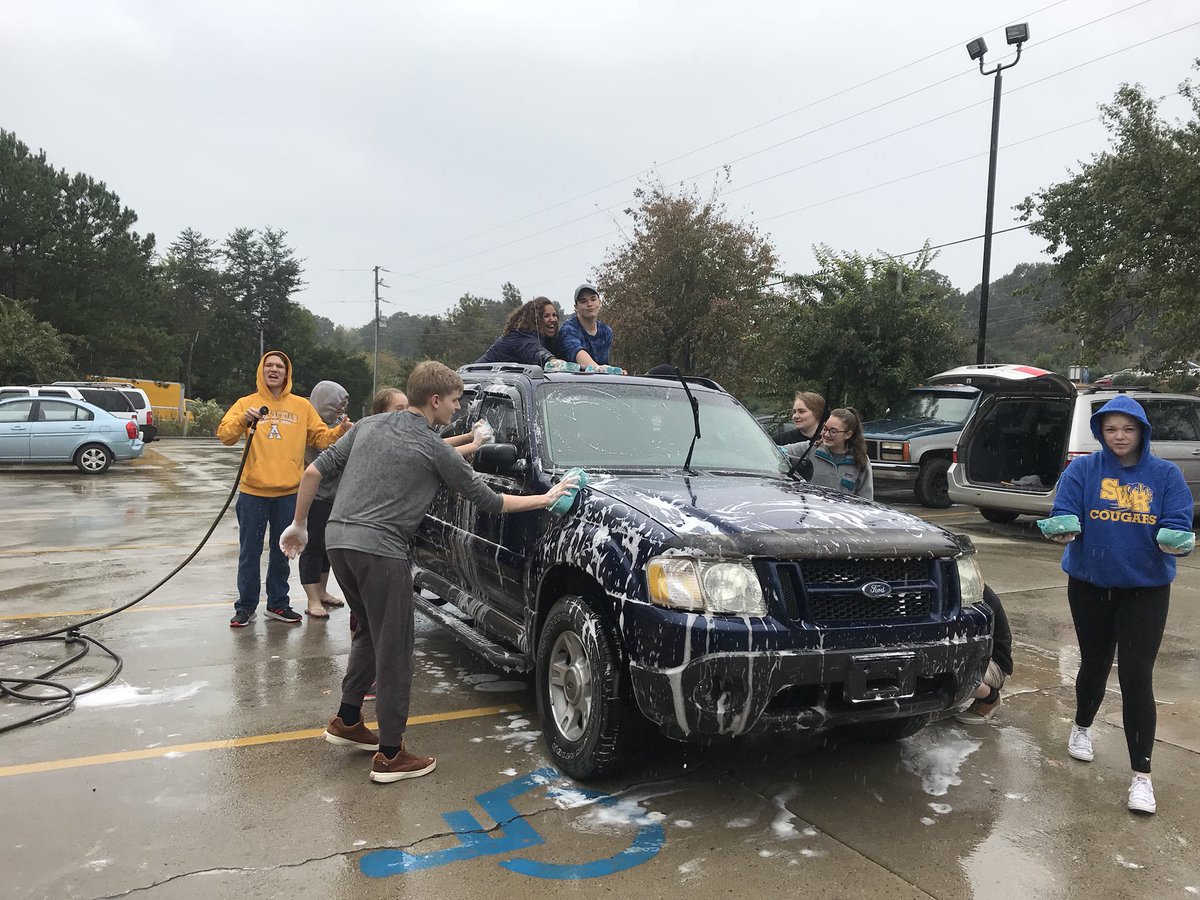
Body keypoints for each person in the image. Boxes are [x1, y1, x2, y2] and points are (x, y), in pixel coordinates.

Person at [279, 361, 577, 783]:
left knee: (367, 630)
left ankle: (348, 720)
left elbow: (313, 471)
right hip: (381, 552)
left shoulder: (369, 424)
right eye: (456, 402)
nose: (459, 410)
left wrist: (300, 524)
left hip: (337, 542)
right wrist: (547, 498)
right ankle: (390, 754)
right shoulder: (433, 448)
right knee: (396, 647)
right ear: (434, 400)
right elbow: (491, 501)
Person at [1038, 395, 1194, 815]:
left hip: (1146, 590)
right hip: (1090, 585)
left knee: (1136, 676)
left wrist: (1176, 538)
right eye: (1111, 429)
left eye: (1127, 428)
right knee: (1093, 661)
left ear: (1142, 430)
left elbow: (1179, 519)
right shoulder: (1083, 470)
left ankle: (1141, 777)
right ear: (1100, 433)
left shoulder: (1165, 475)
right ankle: (1081, 727)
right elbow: (1065, 509)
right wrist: (1062, 527)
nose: (1119, 436)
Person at [218, 351, 351, 628]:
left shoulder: (301, 406)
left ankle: (278, 604)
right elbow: (225, 436)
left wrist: (340, 432)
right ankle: (245, 607)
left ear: (287, 373)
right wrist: (244, 419)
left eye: (280, 366)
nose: (274, 370)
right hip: (253, 493)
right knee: (250, 553)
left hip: (289, 493)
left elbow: (320, 437)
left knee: (284, 553)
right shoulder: (247, 403)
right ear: (261, 370)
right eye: (269, 366)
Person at [299, 380, 351, 619]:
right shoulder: (312, 427)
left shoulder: (340, 426)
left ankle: (322, 590)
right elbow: (324, 460)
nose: (341, 409)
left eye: (343, 404)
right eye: (337, 404)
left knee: (327, 547)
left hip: (336, 496)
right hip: (317, 496)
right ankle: (311, 597)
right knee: (312, 545)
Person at [786, 406, 873, 499]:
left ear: (848, 434)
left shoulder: (860, 460)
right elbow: (775, 452)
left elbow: (866, 501)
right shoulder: (808, 449)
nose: (827, 434)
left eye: (833, 431)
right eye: (825, 429)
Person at [956, 585, 1013, 723]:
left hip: (993, 663)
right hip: (977, 656)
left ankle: (990, 698)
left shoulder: (972, 593)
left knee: (946, 676)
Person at [475, 299, 567, 368]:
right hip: (476, 379)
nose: (553, 319)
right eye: (546, 316)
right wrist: (553, 361)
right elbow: (536, 352)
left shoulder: (545, 339)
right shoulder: (521, 336)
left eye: (554, 315)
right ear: (534, 319)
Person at [559, 283, 615, 368]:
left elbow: (604, 364)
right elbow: (578, 354)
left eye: (593, 299)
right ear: (576, 307)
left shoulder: (606, 331)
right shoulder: (568, 329)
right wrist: (600, 370)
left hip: (596, 379)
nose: (589, 304)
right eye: (583, 301)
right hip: (569, 379)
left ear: (599, 302)